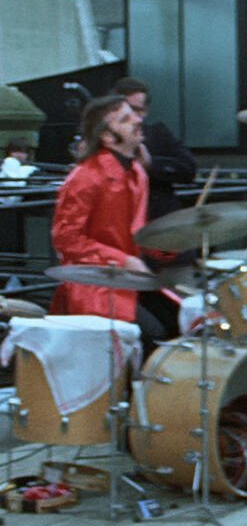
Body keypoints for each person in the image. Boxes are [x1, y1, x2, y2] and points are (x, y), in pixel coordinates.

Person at [49, 95, 166, 353]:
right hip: (95, 288)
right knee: (153, 337)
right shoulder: (85, 177)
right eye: (126, 119)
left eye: (134, 114)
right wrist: (123, 261)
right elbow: (66, 239)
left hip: (127, 280)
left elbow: (137, 232)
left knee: (181, 321)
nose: (137, 120)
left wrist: (174, 248)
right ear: (107, 136)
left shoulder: (136, 172)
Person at [111, 77, 198, 342]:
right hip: (129, 248)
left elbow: (188, 169)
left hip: (166, 242)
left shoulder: (157, 134)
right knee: (142, 326)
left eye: (138, 111)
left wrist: (152, 164)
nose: (133, 119)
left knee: (182, 313)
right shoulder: (107, 146)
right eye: (126, 111)